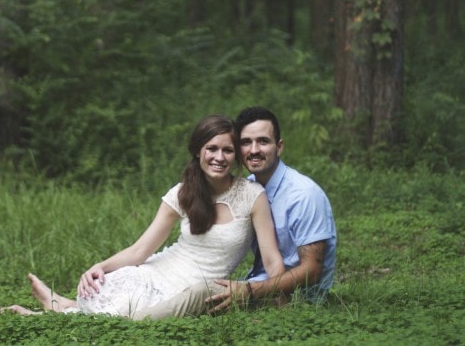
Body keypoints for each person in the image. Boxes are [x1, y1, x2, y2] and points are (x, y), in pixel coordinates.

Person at [2, 114, 285, 318]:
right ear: (198, 151)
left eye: (227, 150)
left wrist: (281, 295)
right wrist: (99, 266)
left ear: (236, 156)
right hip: (157, 274)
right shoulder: (183, 193)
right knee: (120, 301)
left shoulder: (252, 195)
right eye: (211, 148)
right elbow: (141, 249)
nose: (219, 157)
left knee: (194, 295)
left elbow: (271, 258)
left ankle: (57, 309)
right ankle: (61, 306)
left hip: (200, 288)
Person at [139, 106, 337, 318]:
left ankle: (132, 322)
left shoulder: (303, 195)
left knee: (201, 293)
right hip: (257, 285)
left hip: (296, 296)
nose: (253, 150)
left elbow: (313, 270)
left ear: (279, 146)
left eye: (263, 141)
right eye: (245, 142)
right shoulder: (247, 189)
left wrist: (253, 292)